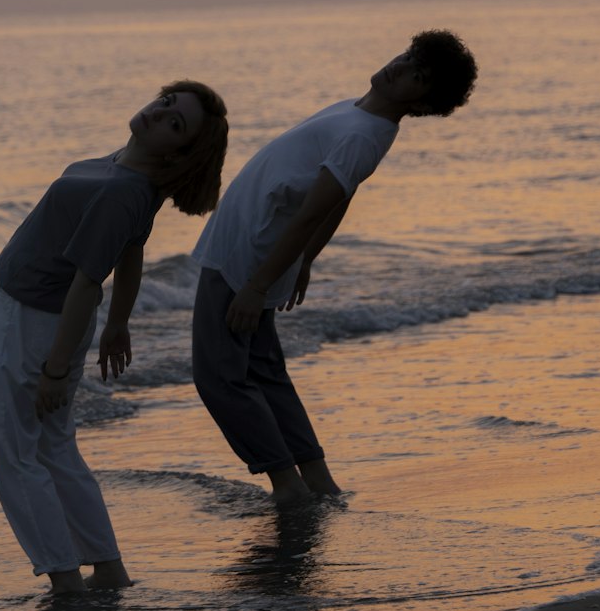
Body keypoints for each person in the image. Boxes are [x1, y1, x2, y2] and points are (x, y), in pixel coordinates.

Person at [191, 30, 477, 505]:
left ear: (424, 103)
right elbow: (340, 198)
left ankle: (287, 486)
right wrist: (305, 259)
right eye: (408, 57)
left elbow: (313, 211)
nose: (399, 68)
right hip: (256, 247)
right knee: (263, 371)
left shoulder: (364, 134)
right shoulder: (358, 114)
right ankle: (317, 480)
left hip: (248, 256)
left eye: (417, 75)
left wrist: (260, 285)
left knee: (220, 379)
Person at [0, 79, 228, 593]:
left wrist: (54, 367)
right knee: (54, 448)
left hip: (30, 321)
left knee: (17, 454)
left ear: (180, 152)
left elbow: (86, 280)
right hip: (39, 317)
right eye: (165, 104)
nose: (159, 116)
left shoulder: (123, 190)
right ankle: (107, 569)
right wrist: (117, 323)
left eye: (175, 123)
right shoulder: (130, 171)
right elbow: (133, 250)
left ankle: (65, 580)